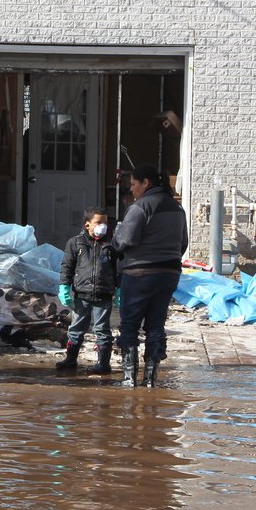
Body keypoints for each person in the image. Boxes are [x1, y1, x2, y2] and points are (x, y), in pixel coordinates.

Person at [112, 165, 188, 388]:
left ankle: (129, 378)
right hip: (169, 274)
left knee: (129, 325)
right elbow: (183, 243)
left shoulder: (140, 207)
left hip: (139, 273)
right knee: (156, 325)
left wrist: (115, 242)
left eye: (133, 185)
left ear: (145, 183)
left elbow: (125, 241)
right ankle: (150, 379)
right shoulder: (177, 208)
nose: (132, 190)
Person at [56, 207, 117, 374]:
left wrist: (119, 289)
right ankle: (70, 360)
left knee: (102, 329)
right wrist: (64, 287)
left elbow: (117, 269)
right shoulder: (75, 243)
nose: (103, 226)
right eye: (98, 222)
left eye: (105, 222)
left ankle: (103, 364)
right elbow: (67, 266)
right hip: (82, 294)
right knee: (76, 328)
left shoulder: (111, 244)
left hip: (103, 294)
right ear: (87, 225)